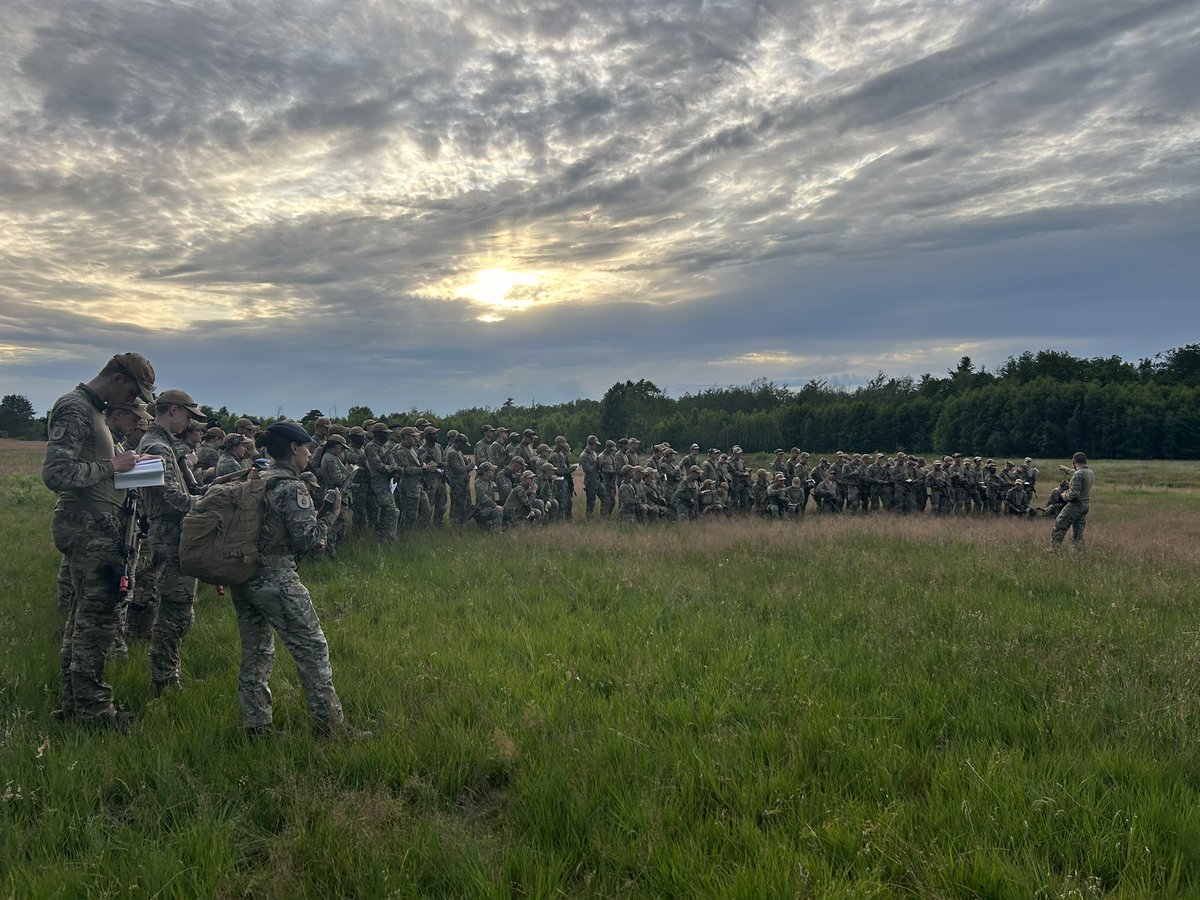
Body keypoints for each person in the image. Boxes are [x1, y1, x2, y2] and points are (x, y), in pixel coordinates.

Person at [43, 351, 156, 731]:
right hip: (89, 527)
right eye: (132, 393)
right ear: (117, 377)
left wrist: (126, 468)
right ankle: (94, 714)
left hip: (97, 524)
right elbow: (56, 473)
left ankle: (76, 707)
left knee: (84, 622)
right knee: (97, 625)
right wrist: (113, 467)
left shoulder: (91, 411)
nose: (132, 403)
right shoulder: (75, 408)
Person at [228, 422, 364, 738]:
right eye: (306, 448)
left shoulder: (257, 478)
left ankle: (257, 724)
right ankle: (330, 729)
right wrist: (330, 514)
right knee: (312, 650)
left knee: (256, 653)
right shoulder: (293, 487)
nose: (309, 453)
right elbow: (308, 541)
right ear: (293, 448)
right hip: (277, 578)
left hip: (245, 576)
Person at [137, 388, 207, 695]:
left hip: (172, 534)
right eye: (189, 416)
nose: (190, 424)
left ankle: (167, 675)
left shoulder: (161, 443)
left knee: (177, 609)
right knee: (175, 611)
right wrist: (205, 504)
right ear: (174, 410)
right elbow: (167, 498)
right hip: (170, 536)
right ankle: (164, 682)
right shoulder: (157, 446)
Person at [1050, 452, 1094, 550]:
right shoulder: (1089, 472)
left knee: (1059, 524)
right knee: (1078, 531)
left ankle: (1054, 550)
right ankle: (1079, 552)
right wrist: (1065, 469)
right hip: (1085, 505)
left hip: (1075, 505)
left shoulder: (1078, 474)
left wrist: (1064, 495)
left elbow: (1074, 494)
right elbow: (1077, 473)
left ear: (1073, 461)